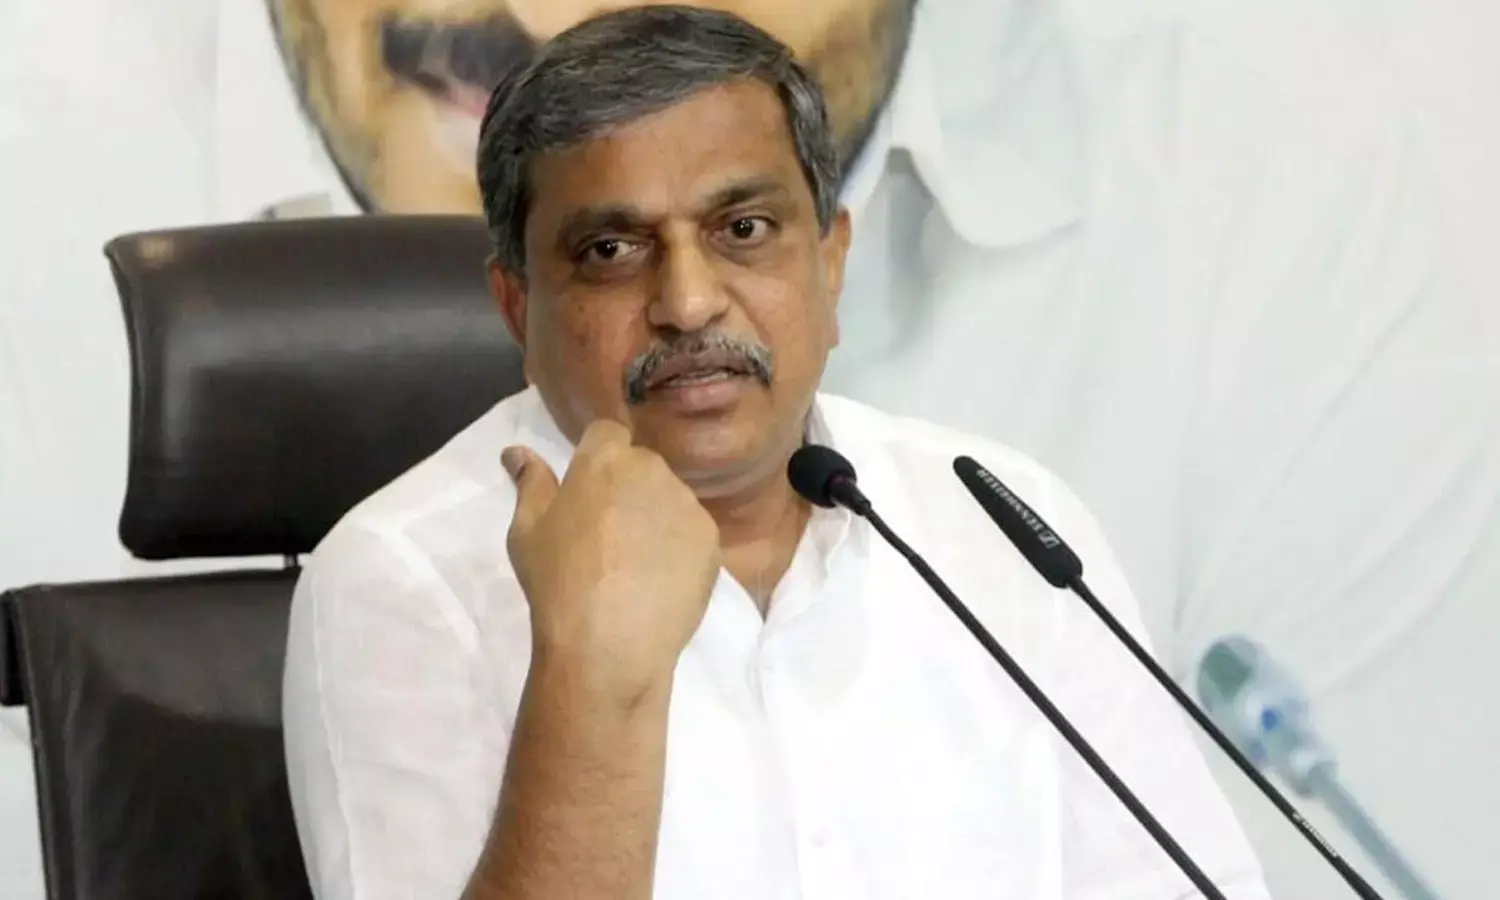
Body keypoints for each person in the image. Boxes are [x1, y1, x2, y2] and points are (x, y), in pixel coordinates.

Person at [281, 8, 1273, 899]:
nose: (688, 303)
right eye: (612, 251)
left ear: (830, 260)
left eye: (744, 230)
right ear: (516, 305)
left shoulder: (1001, 523)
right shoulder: (409, 579)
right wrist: (590, 681)